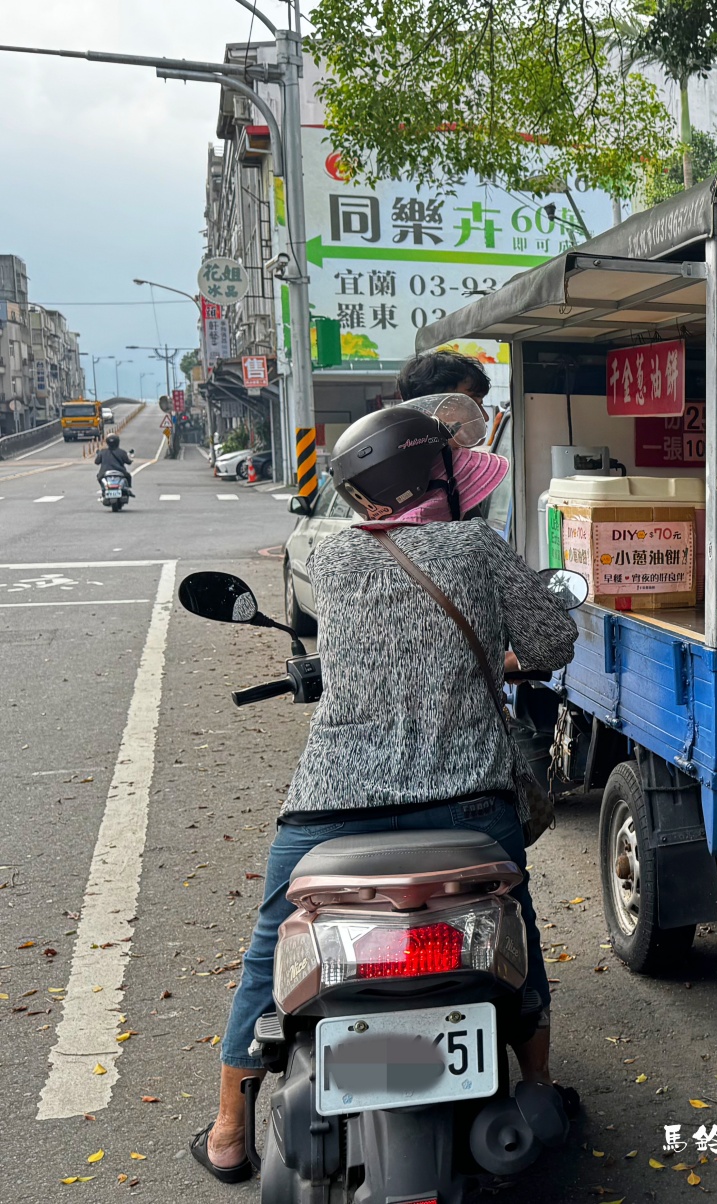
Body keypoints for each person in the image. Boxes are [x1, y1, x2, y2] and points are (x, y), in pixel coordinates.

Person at [192, 405, 579, 1183]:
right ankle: (536, 1086)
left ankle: (231, 1132)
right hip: (470, 804)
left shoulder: (333, 561)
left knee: (271, 949)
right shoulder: (474, 543)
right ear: (440, 480)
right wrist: (498, 655)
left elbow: (351, 649)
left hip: (330, 812)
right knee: (515, 936)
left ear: (368, 498)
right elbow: (549, 643)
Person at [94, 433, 135, 497]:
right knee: (128, 476)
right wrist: (130, 461)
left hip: (104, 472)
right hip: (120, 471)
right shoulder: (122, 452)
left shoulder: (103, 452)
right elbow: (128, 462)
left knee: (99, 477)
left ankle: (103, 490)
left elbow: (96, 462)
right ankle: (128, 490)